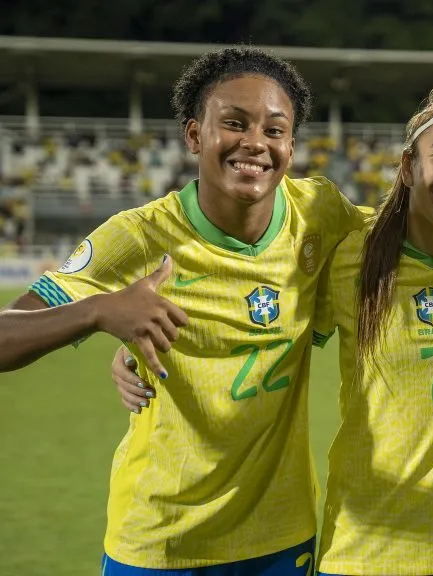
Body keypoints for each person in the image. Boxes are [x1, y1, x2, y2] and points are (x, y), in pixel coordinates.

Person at [0, 47, 366, 574]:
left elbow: (411, 237)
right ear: (195, 135)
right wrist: (100, 312)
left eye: (275, 130)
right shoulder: (139, 237)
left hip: (281, 537)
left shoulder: (320, 214)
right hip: (160, 542)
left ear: (291, 144)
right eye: (234, 123)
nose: (255, 144)